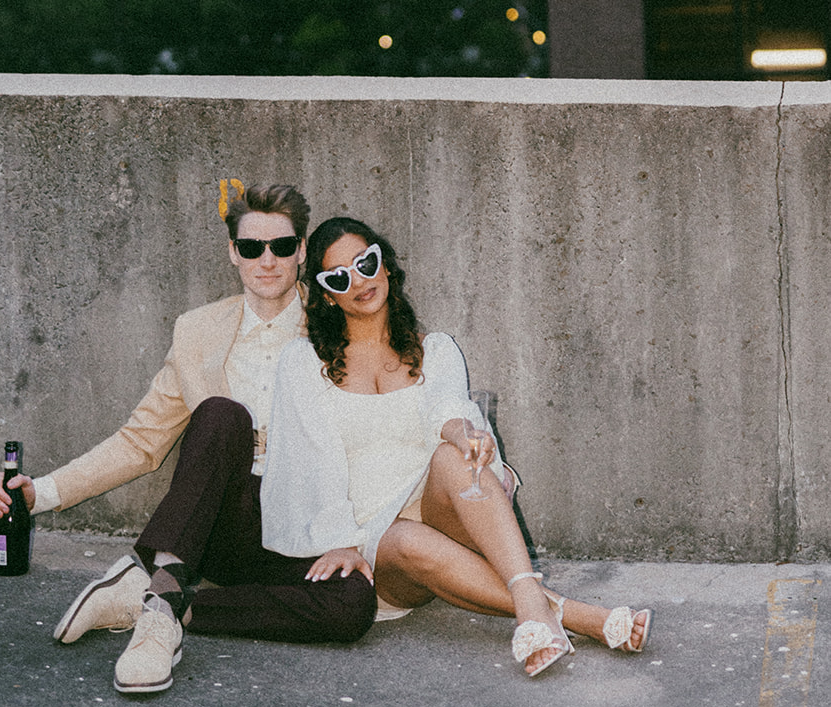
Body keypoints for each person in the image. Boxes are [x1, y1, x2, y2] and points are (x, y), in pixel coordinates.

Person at [0, 185, 376, 695]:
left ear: (301, 251)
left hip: (299, 530)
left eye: (282, 247)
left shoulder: (336, 321)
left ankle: (163, 600)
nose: (267, 261)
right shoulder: (198, 331)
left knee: (353, 605)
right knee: (221, 416)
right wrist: (41, 492)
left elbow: (379, 432)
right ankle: (157, 624)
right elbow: (141, 441)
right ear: (232, 252)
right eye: (252, 247)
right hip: (218, 523)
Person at [261, 217, 652, 678]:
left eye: (366, 263)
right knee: (405, 537)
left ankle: (533, 610)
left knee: (455, 454)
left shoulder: (437, 349)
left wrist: (461, 432)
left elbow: (446, 405)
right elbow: (309, 460)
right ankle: (583, 617)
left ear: (385, 265)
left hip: (440, 514)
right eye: (340, 277)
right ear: (327, 294)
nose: (360, 281)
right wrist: (340, 541)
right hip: (377, 548)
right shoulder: (304, 363)